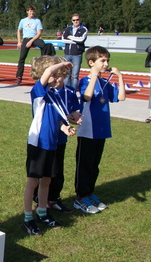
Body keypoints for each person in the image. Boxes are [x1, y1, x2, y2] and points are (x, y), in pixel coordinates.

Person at [21, 56, 77, 236]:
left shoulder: (56, 96)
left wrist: (65, 128)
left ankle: (43, 212)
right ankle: (28, 218)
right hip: (38, 143)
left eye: (61, 75)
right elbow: (47, 74)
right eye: (55, 74)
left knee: (46, 180)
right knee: (33, 181)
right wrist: (61, 64)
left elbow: (57, 119)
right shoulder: (39, 91)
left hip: (52, 143)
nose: (58, 78)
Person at [73, 46, 126, 214]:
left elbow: (120, 97)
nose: (106, 63)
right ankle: (80, 198)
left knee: (95, 165)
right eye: (102, 60)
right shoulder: (85, 81)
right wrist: (94, 75)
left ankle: (89, 193)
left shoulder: (105, 82)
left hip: (102, 130)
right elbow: (87, 97)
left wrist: (120, 77)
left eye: (107, 60)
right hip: (88, 131)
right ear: (91, 62)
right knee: (85, 164)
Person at [15, 5, 46, 85]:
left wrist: (31, 41)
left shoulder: (37, 21)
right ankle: (19, 76)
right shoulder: (23, 21)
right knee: (21, 58)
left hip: (34, 38)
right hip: (26, 39)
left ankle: (42, 61)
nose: (32, 12)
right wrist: (19, 41)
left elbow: (39, 33)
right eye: (30, 11)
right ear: (27, 12)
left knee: (44, 45)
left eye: (33, 11)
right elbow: (19, 31)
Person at [61, 13, 89, 89]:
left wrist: (70, 37)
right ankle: (67, 90)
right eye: (74, 20)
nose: (76, 21)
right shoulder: (68, 29)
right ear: (71, 21)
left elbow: (81, 40)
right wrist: (74, 40)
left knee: (75, 75)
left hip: (77, 54)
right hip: (67, 54)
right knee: (67, 74)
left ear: (80, 20)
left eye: (77, 20)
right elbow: (63, 39)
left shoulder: (83, 29)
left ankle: (73, 91)